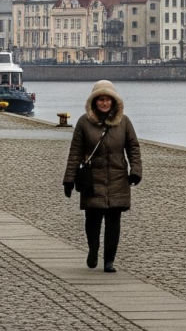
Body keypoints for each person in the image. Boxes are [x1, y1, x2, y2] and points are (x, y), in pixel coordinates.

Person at [63, 80, 142, 273]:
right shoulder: (84, 122)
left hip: (117, 178)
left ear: (114, 102)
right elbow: (75, 151)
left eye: (107, 100)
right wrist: (69, 179)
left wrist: (136, 171)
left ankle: (109, 260)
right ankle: (93, 249)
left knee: (113, 221)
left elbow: (133, 147)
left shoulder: (124, 122)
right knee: (93, 219)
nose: (104, 103)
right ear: (94, 101)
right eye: (101, 100)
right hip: (92, 178)